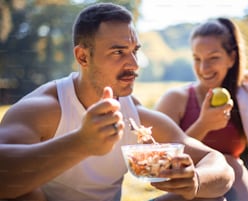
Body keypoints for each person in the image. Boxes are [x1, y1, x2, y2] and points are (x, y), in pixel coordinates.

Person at [0, 3, 235, 201]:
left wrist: (195, 180)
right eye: (118, 52)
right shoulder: (44, 108)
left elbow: (217, 163)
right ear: (83, 56)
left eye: (135, 51)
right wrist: (81, 143)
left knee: (210, 196)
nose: (134, 64)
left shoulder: (135, 115)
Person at [154, 18, 248, 201]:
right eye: (197, 58)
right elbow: (158, 161)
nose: (204, 68)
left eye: (213, 58)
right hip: (191, 188)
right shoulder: (176, 99)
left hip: (234, 184)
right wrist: (203, 125)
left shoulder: (245, 102)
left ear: (231, 58)